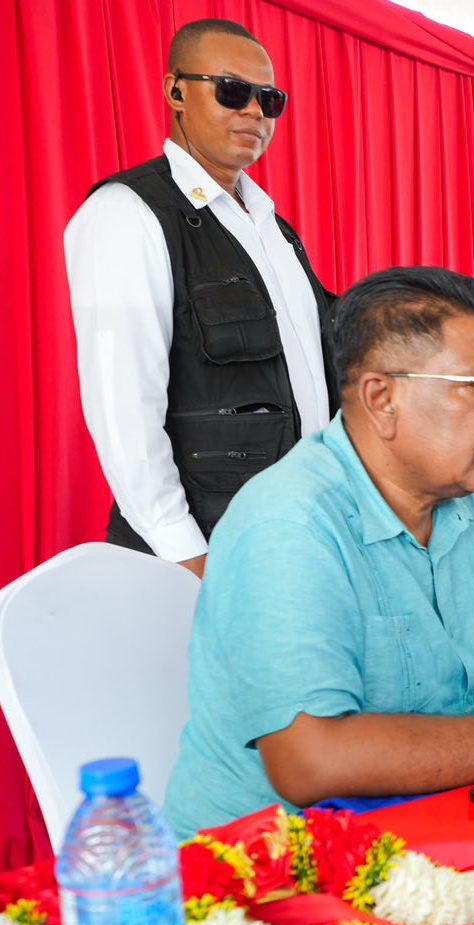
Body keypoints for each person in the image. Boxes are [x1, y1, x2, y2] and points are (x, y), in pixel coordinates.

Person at [164, 267, 474, 836]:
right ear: (383, 398)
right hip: (273, 859)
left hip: (447, 825)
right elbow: (310, 760)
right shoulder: (289, 524)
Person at [65, 18, 336, 576]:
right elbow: (125, 412)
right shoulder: (127, 213)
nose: (255, 111)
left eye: (270, 99)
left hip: (295, 537)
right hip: (202, 553)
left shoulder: (274, 229)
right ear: (176, 92)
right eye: (232, 90)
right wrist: (187, 556)